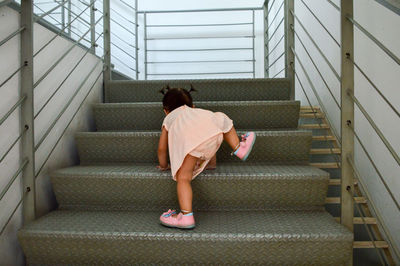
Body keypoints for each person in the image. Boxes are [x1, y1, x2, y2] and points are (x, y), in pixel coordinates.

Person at [157, 85, 256, 229]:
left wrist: (164, 165)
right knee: (221, 120)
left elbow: (161, 149)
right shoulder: (197, 113)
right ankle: (239, 148)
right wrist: (210, 164)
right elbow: (205, 136)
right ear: (192, 105)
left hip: (189, 147)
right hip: (213, 135)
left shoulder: (169, 119)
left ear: (166, 111)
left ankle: (186, 216)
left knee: (183, 178)